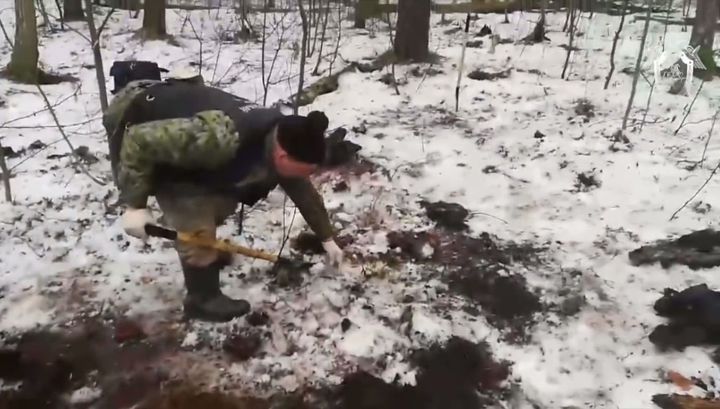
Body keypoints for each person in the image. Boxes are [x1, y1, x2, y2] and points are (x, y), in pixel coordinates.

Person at [102, 63, 344, 322]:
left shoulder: (279, 136)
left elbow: (302, 189)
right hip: (135, 116)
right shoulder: (218, 138)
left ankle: (203, 255)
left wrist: (327, 238)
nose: (306, 176)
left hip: (181, 132)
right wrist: (135, 205)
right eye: (305, 170)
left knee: (222, 200)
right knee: (195, 214)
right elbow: (139, 140)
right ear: (283, 156)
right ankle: (202, 299)